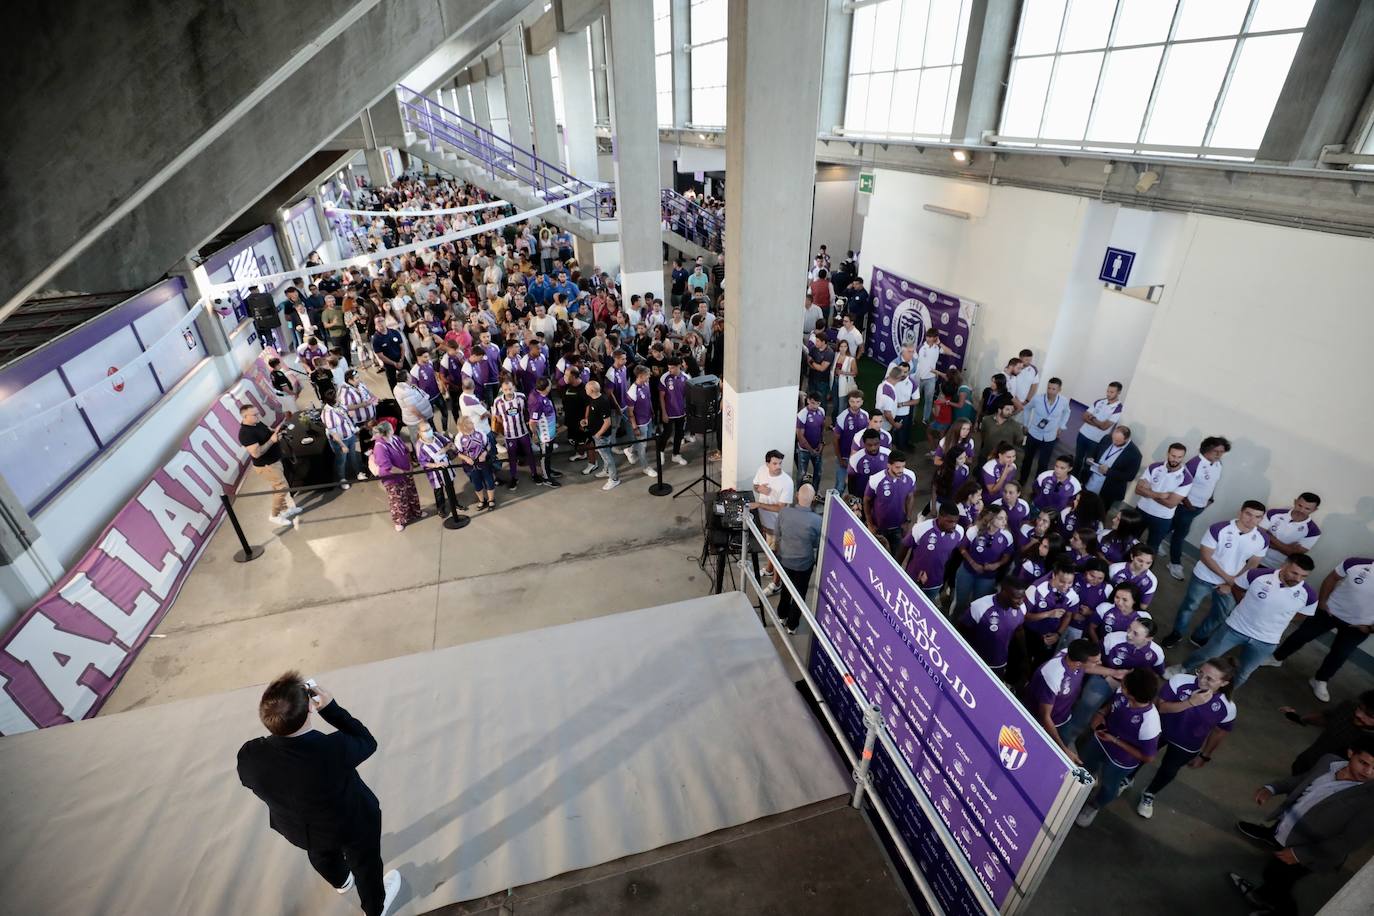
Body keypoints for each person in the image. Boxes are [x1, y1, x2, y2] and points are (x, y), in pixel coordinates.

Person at [236, 672, 401, 916]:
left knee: (320, 854)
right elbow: (367, 741)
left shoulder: (250, 756)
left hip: (299, 829)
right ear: (310, 710)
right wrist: (332, 709)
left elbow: (248, 782)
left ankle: (341, 881)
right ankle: (375, 909)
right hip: (352, 824)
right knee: (366, 865)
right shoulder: (334, 748)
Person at [1229, 736, 1374, 916]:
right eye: (1364, 763)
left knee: (1279, 879)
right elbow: (1302, 780)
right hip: (1286, 831)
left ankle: (1284, 911)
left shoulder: (1369, 800)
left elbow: (1348, 841)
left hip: (1311, 852)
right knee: (1275, 874)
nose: (1368, 772)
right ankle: (1261, 897)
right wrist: (1273, 788)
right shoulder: (1329, 761)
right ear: (1351, 753)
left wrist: (1300, 854)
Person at [1170, 556, 1317, 688]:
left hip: (1266, 641)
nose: (1297, 579)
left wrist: (1277, 617)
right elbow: (1237, 588)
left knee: (1243, 673)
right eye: (1294, 573)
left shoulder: (1309, 595)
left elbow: (1302, 615)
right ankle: (1182, 669)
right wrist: (1243, 604)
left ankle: (1223, 696)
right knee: (1207, 654)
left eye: (1303, 576)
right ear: (1285, 565)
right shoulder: (1257, 575)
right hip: (1235, 628)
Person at [1134, 657, 1238, 820]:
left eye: (1209, 678)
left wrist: (1205, 755)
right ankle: (1127, 777)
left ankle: (1150, 793)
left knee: (1168, 771)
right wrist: (1190, 702)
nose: (1201, 680)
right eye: (1200, 673)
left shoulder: (1228, 707)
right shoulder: (1179, 681)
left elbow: (1220, 732)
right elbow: (1161, 707)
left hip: (1187, 745)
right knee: (1140, 755)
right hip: (1159, 731)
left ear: (1224, 683)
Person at [1161, 500, 1269, 649]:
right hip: (1204, 577)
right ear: (1240, 512)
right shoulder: (1219, 528)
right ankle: (1177, 633)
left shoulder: (1263, 539)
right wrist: (1228, 579)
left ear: (1261, 519)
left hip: (1232, 583)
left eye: (1257, 517)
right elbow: (1206, 556)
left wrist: (1231, 583)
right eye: (1248, 514)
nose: (1251, 520)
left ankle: (1199, 636)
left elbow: (1253, 564)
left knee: (1221, 614)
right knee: (1190, 606)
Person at [1268, 556, 1374, 702]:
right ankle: (1276, 658)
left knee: (1340, 654)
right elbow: (1331, 579)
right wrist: (1323, 602)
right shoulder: (1356, 563)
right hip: (1330, 611)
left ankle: (1320, 680)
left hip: (1360, 626)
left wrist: (1370, 628)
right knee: (1302, 635)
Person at [1073, 668, 1161, 827]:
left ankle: (1094, 806)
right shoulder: (1122, 691)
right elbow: (1111, 705)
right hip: (1100, 741)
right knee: (1084, 766)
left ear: (1132, 694)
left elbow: (1148, 757)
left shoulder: (1150, 722)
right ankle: (1075, 791)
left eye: (1125, 684)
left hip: (1121, 760)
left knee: (1109, 785)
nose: (1121, 684)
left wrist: (1114, 740)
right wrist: (1100, 714)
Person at [1061, 617, 1165, 746]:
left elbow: (1156, 675)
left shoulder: (1157, 653)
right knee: (1086, 708)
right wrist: (1111, 675)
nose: (1128, 634)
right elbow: (1087, 666)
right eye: (1129, 629)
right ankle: (1065, 740)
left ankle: (1092, 744)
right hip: (1105, 679)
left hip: (1131, 690)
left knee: (1118, 721)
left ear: (1148, 638)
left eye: (1135, 633)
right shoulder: (1112, 639)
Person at [1025, 638, 1101, 764]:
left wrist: (1115, 672)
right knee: (1038, 755)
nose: (1099, 663)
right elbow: (1045, 717)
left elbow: (1087, 668)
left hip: (1064, 717)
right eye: (1095, 662)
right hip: (1044, 726)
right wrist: (1064, 749)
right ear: (1078, 663)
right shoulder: (1053, 677)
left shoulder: (1070, 654)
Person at [1166, 436, 1230, 579]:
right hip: (1185, 507)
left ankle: (1154, 543)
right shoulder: (1195, 463)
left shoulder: (1218, 464)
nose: (1219, 455)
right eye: (1216, 451)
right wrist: (1188, 504)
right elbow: (1181, 484)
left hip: (1199, 507)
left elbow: (1212, 484)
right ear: (1207, 449)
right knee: (1180, 534)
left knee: (1170, 527)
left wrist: (1210, 500)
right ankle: (1174, 563)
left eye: (1222, 452)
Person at [1281, 690, 1374, 775]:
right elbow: (1326, 718)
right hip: (1307, 760)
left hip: (1329, 779)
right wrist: (1299, 719)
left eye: (1369, 715)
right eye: (1360, 708)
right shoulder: (1348, 708)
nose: (1358, 714)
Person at [237, 403, 300, 528]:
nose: (258, 416)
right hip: (267, 466)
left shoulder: (257, 423)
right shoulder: (245, 433)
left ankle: (285, 510)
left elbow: (268, 431)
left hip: (275, 461)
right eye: (254, 415)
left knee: (278, 488)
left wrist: (277, 432)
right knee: (282, 488)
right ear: (245, 417)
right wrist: (272, 440)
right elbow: (256, 453)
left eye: (257, 413)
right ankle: (274, 515)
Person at [774, 485, 823, 633]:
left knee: (786, 589)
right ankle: (792, 625)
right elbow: (816, 543)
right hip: (804, 564)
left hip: (784, 559)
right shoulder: (817, 520)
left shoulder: (784, 513)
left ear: (797, 495)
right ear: (813, 499)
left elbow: (778, 534)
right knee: (799, 594)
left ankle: (782, 615)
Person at [899, 504, 966, 605]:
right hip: (912, 579)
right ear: (940, 517)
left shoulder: (959, 531)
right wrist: (897, 569)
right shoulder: (921, 528)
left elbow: (954, 556)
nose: (954, 525)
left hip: (936, 583)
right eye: (950, 521)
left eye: (956, 521)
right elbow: (904, 547)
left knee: (924, 607)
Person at [953, 506, 1014, 614]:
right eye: (1000, 518)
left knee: (978, 605)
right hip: (967, 572)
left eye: (1005, 518)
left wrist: (997, 564)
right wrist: (973, 563)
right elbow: (962, 547)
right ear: (991, 518)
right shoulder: (974, 530)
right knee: (960, 603)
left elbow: (1007, 555)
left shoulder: (1007, 536)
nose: (1005, 521)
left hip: (987, 577)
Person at [1135, 442, 1194, 552]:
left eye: (1179, 457)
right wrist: (1159, 495)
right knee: (1130, 539)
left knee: (1151, 549)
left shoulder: (1186, 478)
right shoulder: (1154, 467)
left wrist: (1148, 491)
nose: (1175, 459)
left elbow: (1170, 504)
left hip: (1162, 518)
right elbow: (1138, 490)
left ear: (1183, 457)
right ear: (1168, 453)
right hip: (1141, 510)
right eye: (1173, 456)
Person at [1022, 562, 1082, 670]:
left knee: (1041, 664)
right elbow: (1024, 616)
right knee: (1022, 658)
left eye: (1070, 582)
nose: (1066, 586)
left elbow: (1068, 616)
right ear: (1054, 575)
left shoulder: (1073, 596)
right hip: (1030, 632)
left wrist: (1058, 634)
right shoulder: (1036, 589)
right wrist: (1048, 614)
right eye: (1062, 581)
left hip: (1051, 635)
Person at [967, 577, 1028, 682]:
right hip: (975, 660)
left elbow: (1019, 629)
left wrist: (1024, 653)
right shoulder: (980, 607)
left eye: (1023, 597)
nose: (1021, 602)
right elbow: (962, 630)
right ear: (1004, 592)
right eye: (1017, 598)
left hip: (1000, 662)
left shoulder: (1021, 609)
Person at [752, 450, 796, 589]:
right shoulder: (761, 470)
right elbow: (755, 485)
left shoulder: (787, 482)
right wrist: (759, 489)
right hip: (765, 521)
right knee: (770, 549)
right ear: (767, 463)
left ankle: (776, 583)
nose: (778, 466)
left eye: (780, 463)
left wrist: (759, 504)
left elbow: (781, 508)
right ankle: (769, 569)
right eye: (775, 463)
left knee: (777, 554)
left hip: (777, 525)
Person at [370, 421, 422, 531]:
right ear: (388, 431)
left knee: (411, 494)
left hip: (406, 472)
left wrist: (410, 465)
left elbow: (405, 451)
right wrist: (403, 471)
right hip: (393, 478)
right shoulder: (380, 447)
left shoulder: (396, 438)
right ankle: (399, 521)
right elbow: (387, 467)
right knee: (398, 500)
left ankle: (416, 512)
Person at [863, 450, 918, 556]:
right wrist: (870, 524)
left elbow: (910, 497)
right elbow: (866, 501)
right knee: (878, 557)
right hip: (879, 528)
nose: (901, 470)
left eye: (903, 466)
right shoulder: (876, 479)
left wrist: (908, 520)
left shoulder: (910, 476)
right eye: (897, 467)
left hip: (898, 527)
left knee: (896, 559)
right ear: (889, 465)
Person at [1019, 377, 1070, 484]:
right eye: (1049, 388)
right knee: (1027, 459)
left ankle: (1038, 484)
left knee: (1043, 463)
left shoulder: (1063, 401)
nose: (1050, 391)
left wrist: (1061, 426)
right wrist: (1025, 424)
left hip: (1050, 437)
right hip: (1034, 433)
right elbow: (1027, 408)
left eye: (1053, 389)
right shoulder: (1038, 399)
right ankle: (1022, 481)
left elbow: (1067, 412)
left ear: (1059, 389)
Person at [493, 379, 542, 489]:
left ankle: (534, 474)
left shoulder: (521, 397)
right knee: (512, 457)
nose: (508, 391)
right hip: (509, 435)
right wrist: (506, 425)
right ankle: (514, 477)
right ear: (502, 390)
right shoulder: (498, 402)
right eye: (505, 389)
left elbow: (526, 411)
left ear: (514, 387)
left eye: (510, 389)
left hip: (523, 432)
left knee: (529, 453)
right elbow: (497, 417)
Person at [1073, 382, 1124, 477]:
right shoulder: (1099, 401)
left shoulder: (1118, 409)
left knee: (1088, 463)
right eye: (1108, 391)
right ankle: (1072, 479)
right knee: (1077, 459)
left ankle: (1082, 483)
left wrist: (1092, 418)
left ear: (1118, 393)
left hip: (1096, 441)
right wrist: (1098, 423)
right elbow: (1084, 416)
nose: (1108, 394)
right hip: (1083, 434)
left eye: (1112, 392)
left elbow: (1104, 427)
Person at [1083, 425, 1141, 509]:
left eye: (1117, 441)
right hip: (1090, 481)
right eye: (1113, 438)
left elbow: (1130, 476)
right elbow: (1095, 451)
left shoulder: (1135, 454)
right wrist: (1090, 457)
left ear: (1127, 439)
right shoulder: (1107, 438)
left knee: (1099, 512)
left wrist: (1108, 471)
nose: (1113, 442)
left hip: (1107, 490)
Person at [1260, 493, 1322, 569]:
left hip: (1278, 568)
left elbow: (1294, 555)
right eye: (1300, 506)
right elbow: (1258, 536)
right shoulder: (1273, 513)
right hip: (1254, 557)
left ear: (1315, 510)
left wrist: (1269, 537)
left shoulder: (1314, 531)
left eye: (1307, 509)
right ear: (1295, 502)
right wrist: (1287, 547)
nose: (1301, 510)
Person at [581, 380, 621, 491]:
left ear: (592, 390)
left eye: (587, 389)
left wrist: (598, 434)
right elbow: (596, 416)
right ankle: (606, 471)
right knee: (605, 456)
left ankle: (614, 479)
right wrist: (587, 422)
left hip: (601, 436)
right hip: (597, 434)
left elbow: (607, 422)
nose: (585, 390)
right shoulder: (594, 399)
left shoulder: (602, 401)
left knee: (607, 457)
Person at [454, 415, 498, 511]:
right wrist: (466, 458)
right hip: (470, 465)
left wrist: (484, 454)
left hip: (483, 462)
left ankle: (491, 499)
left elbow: (488, 444)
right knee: (476, 483)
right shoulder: (459, 437)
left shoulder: (479, 432)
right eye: (470, 422)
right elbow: (457, 452)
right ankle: (482, 500)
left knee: (489, 481)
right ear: (464, 426)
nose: (473, 423)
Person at [321, 391, 361, 491]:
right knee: (341, 461)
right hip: (340, 441)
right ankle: (342, 479)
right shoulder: (327, 414)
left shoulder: (338, 405)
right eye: (338, 396)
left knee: (353, 455)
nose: (340, 397)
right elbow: (334, 434)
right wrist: (342, 445)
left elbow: (347, 409)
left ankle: (358, 472)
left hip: (350, 436)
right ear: (333, 399)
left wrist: (364, 404)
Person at [914, 328, 955, 425]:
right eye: (927, 336)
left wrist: (939, 343)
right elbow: (915, 362)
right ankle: (912, 419)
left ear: (936, 338)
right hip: (918, 378)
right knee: (915, 400)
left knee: (929, 400)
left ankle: (926, 419)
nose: (928, 338)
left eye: (931, 337)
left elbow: (950, 352)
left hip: (931, 379)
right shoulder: (920, 347)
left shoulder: (937, 348)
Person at [832, 391, 869, 495]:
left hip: (860, 458)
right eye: (852, 401)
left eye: (857, 401)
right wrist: (840, 459)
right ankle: (832, 509)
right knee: (840, 487)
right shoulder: (842, 417)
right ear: (848, 401)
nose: (855, 404)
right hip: (845, 458)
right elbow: (835, 440)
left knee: (857, 486)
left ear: (862, 402)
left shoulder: (866, 416)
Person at [528, 378, 562, 488]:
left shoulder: (538, 393)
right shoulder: (537, 402)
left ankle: (548, 470)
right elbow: (532, 422)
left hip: (550, 431)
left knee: (549, 453)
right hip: (545, 434)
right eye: (550, 384)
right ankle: (546, 477)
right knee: (545, 455)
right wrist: (534, 434)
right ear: (546, 388)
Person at [658, 358, 690, 466]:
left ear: (679, 366)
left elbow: (688, 396)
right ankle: (660, 452)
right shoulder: (664, 377)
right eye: (668, 368)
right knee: (666, 433)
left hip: (681, 412)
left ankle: (676, 454)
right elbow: (661, 397)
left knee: (679, 434)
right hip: (669, 412)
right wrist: (664, 412)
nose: (670, 370)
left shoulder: (686, 378)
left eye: (672, 368)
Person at [1109, 544, 1158, 610]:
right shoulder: (1115, 568)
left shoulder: (1152, 580)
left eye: (1148, 563)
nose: (1143, 565)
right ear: (1132, 556)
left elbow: (1143, 606)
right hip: (1110, 603)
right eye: (1140, 561)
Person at [978, 397, 1024, 466]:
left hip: (1003, 459)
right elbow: (983, 435)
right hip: (986, 455)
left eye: (1012, 410)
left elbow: (1018, 440)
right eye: (1007, 409)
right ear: (999, 410)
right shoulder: (987, 420)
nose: (1010, 412)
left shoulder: (1015, 426)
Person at [846, 429, 891, 500]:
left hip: (882, 497)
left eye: (876, 444)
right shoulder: (855, 459)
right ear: (864, 443)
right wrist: (854, 498)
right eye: (870, 445)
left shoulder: (888, 454)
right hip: (862, 496)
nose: (873, 448)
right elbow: (851, 480)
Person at [795, 392, 825, 484]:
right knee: (802, 473)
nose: (815, 406)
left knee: (818, 472)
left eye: (817, 403)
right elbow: (800, 435)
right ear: (808, 401)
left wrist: (821, 443)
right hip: (804, 450)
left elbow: (821, 428)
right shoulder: (802, 414)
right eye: (812, 403)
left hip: (817, 448)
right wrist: (811, 450)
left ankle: (815, 493)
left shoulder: (821, 411)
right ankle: (798, 493)